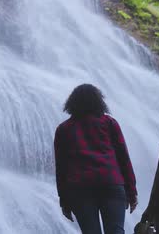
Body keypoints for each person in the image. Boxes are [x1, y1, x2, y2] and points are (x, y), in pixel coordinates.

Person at [54, 84, 138, 234]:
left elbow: (61, 168)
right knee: (116, 231)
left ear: (71, 103)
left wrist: (64, 201)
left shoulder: (63, 129)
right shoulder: (109, 123)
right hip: (111, 183)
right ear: (99, 101)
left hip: (80, 188)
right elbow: (123, 158)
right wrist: (132, 191)